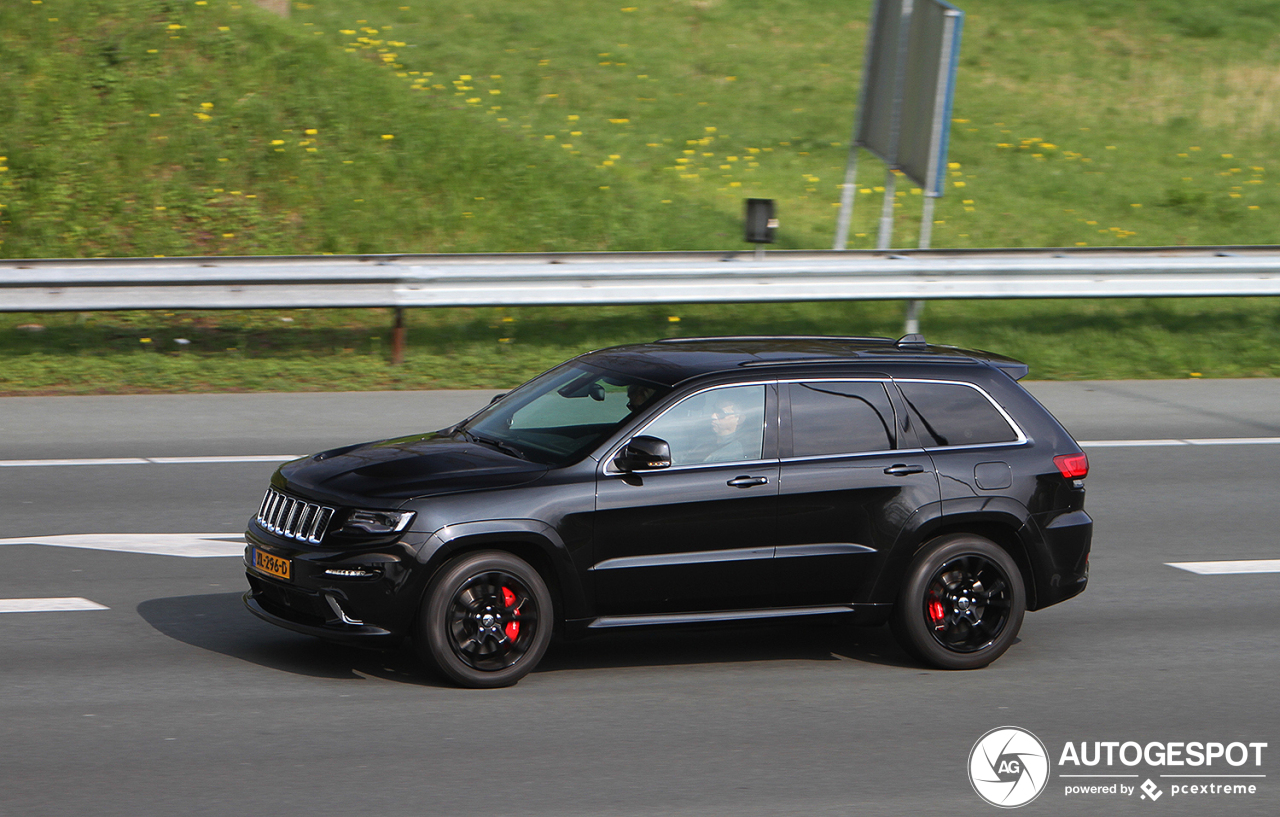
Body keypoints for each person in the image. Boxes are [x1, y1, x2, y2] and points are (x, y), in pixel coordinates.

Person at [702, 395, 746, 462]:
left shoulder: (731, 454)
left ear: (739, 419)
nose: (713, 416)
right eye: (714, 410)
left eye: (721, 413)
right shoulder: (705, 441)